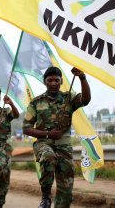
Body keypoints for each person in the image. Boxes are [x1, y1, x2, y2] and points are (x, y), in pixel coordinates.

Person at [23, 66, 91, 208]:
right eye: (50, 80)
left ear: (61, 82)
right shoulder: (36, 102)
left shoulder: (69, 98)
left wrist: (82, 78)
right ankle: (46, 196)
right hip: (44, 144)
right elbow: (26, 128)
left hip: (64, 148)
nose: (53, 83)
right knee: (48, 156)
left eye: (56, 80)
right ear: (45, 82)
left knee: (66, 192)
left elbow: (85, 99)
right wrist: (48, 134)